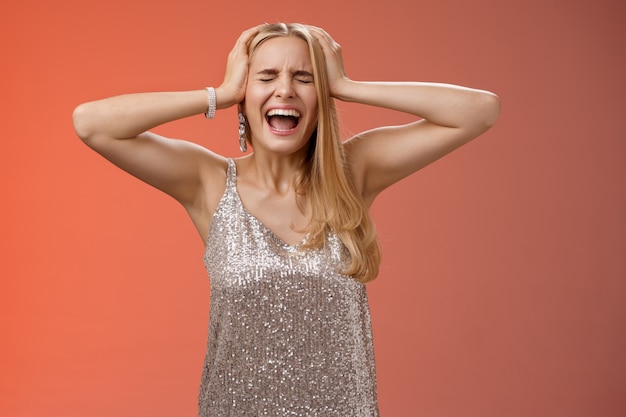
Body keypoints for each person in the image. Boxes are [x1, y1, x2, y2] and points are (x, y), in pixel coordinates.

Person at [73, 22, 499, 417]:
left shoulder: (353, 172)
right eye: (266, 77)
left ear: (322, 97)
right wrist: (218, 94)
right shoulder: (209, 182)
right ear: (245, 93)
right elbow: (92, 124)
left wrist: (347, 86)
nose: (285, 91)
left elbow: (479, 110)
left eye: (304, 77)